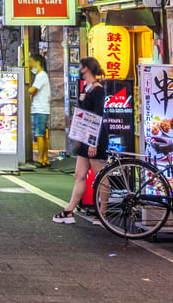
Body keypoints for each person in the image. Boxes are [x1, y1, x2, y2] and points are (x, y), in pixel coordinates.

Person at [54, 56, 106, 224]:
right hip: (85, 137)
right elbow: (82, 114)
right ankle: (69, 211)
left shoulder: (98, 89)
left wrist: (93, 141)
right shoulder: (86, 88)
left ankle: (103, 213)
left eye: (81, 67)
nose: (79, 70)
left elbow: (97, 116)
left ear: (87, 68)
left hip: (95, 137)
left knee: (101, 175)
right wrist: (78, 136)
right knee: (79, 174)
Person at [26, 52, 52, 168]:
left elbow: (32, 90)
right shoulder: (42, 75)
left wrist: (28, 90)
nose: (30, 65)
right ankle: (45, 159)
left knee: (39, 135)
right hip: (42, 109)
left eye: (31, 62)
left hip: (40, 109)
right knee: (42, 135)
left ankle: (41, 160)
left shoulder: (41, 75)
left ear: (37, 62)